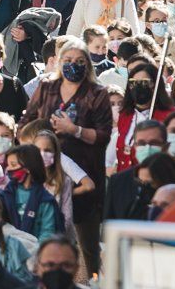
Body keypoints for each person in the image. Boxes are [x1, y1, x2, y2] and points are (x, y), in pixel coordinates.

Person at [18, 38, 111, 276]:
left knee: (88, 245)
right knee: (43, 238)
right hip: (46, 174)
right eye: (68, 61)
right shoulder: (47, 87)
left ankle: (94, 280)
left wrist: (74, 130)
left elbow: (103, 136)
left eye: (80, 61)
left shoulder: (98, 93)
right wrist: (38, 142)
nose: (74, 65)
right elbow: (25, 124)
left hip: (84, 173)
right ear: (59, 62)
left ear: (88, 65)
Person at [113, 63, 175, 171]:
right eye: (133, 83)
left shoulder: (169, 116)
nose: (138, 86)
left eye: (144, 82)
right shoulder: (125, 115)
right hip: (126, 178)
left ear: (155, 85)